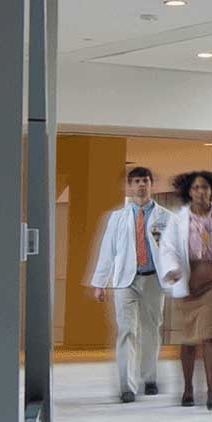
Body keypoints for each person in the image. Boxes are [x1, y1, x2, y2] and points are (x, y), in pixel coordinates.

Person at [152, 170, 212, 408]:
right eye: (195, 187)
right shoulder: (177, 220)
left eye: (205, 187)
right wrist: (172, 270)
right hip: (188, 286)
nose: (200, 192)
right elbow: (168, 249)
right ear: (188, 191)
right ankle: (187, 389)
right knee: (188, 340)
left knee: (210, 337)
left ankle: (211, 390)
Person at [80, 167, 172, 402]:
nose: (141, 185)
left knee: (151, 330)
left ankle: (149, 378)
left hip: (153, 279)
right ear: (130, 186)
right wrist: (100, 283)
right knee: (126, 331)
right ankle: (127, 387)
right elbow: (107, 251)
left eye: (145, 181)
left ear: (152, 184)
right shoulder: (117, 217)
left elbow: (174, 251)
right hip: (125, 281)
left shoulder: (166, 217)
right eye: (137, 181)